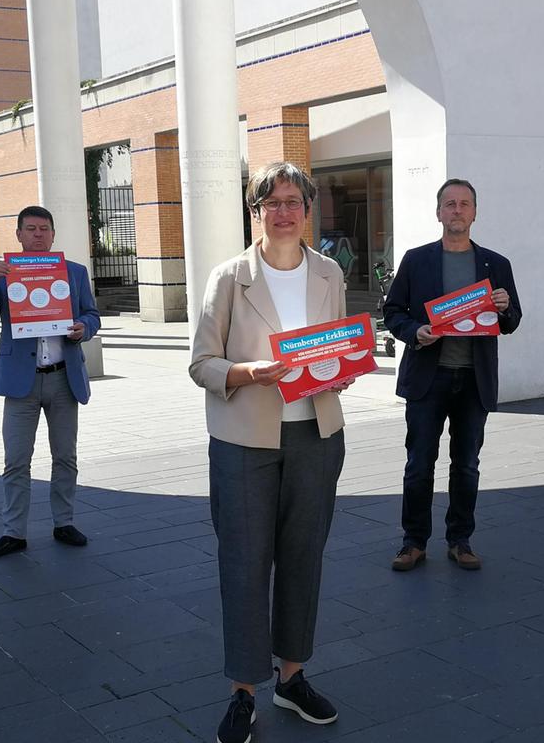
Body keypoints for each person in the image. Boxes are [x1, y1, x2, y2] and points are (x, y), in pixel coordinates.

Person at [189, 162, 353, 743]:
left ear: (307, 210)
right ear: (254, 212)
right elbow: (201, 363)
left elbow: (334, 346)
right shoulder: (229, 277)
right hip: (244, 444)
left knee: (304, 557)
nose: (282, 212)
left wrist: (340, 372)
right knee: (245, 564)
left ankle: (292, 676)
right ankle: (243, 691)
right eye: (271, 203)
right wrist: (246, 372)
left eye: (292, 201)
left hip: (316, 436)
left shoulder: (329, 273)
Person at [383, 179, 522, 572]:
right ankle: (412, 542)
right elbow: (393, 312)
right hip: (429, 377)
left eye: (464, 204)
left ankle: (460, 540)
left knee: (466, 465)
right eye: (449, 204)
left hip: (473, 381)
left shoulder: (497, 264)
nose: (457, 210)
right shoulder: (416, 260)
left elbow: (511, 322)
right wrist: (415, 332)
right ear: (439, 212)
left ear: (475, 212)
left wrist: (505, 306)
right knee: (419, 463)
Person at [0, 206, 101, 560]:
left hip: (62, 377)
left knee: (65, 457)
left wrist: (83, 328)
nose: (38, 234)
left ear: (53, 234)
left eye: (44, 228)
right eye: (31, 228)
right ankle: (14, 532)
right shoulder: (6, 275)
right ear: (18, 235)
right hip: (20, 382)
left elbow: (91, 314)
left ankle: (64, 522)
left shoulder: (73, 272)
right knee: (15, 460)